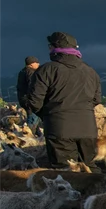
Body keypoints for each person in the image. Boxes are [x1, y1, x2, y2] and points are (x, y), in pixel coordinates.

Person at [24, 32, 100, 167]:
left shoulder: (46, 70)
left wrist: (49, 114)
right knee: (90, 171)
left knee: (65, 173)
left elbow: (35, 102)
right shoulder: (90, 71)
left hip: (58, 128)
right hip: (88, 128)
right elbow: (96, 99)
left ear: (54, 48)